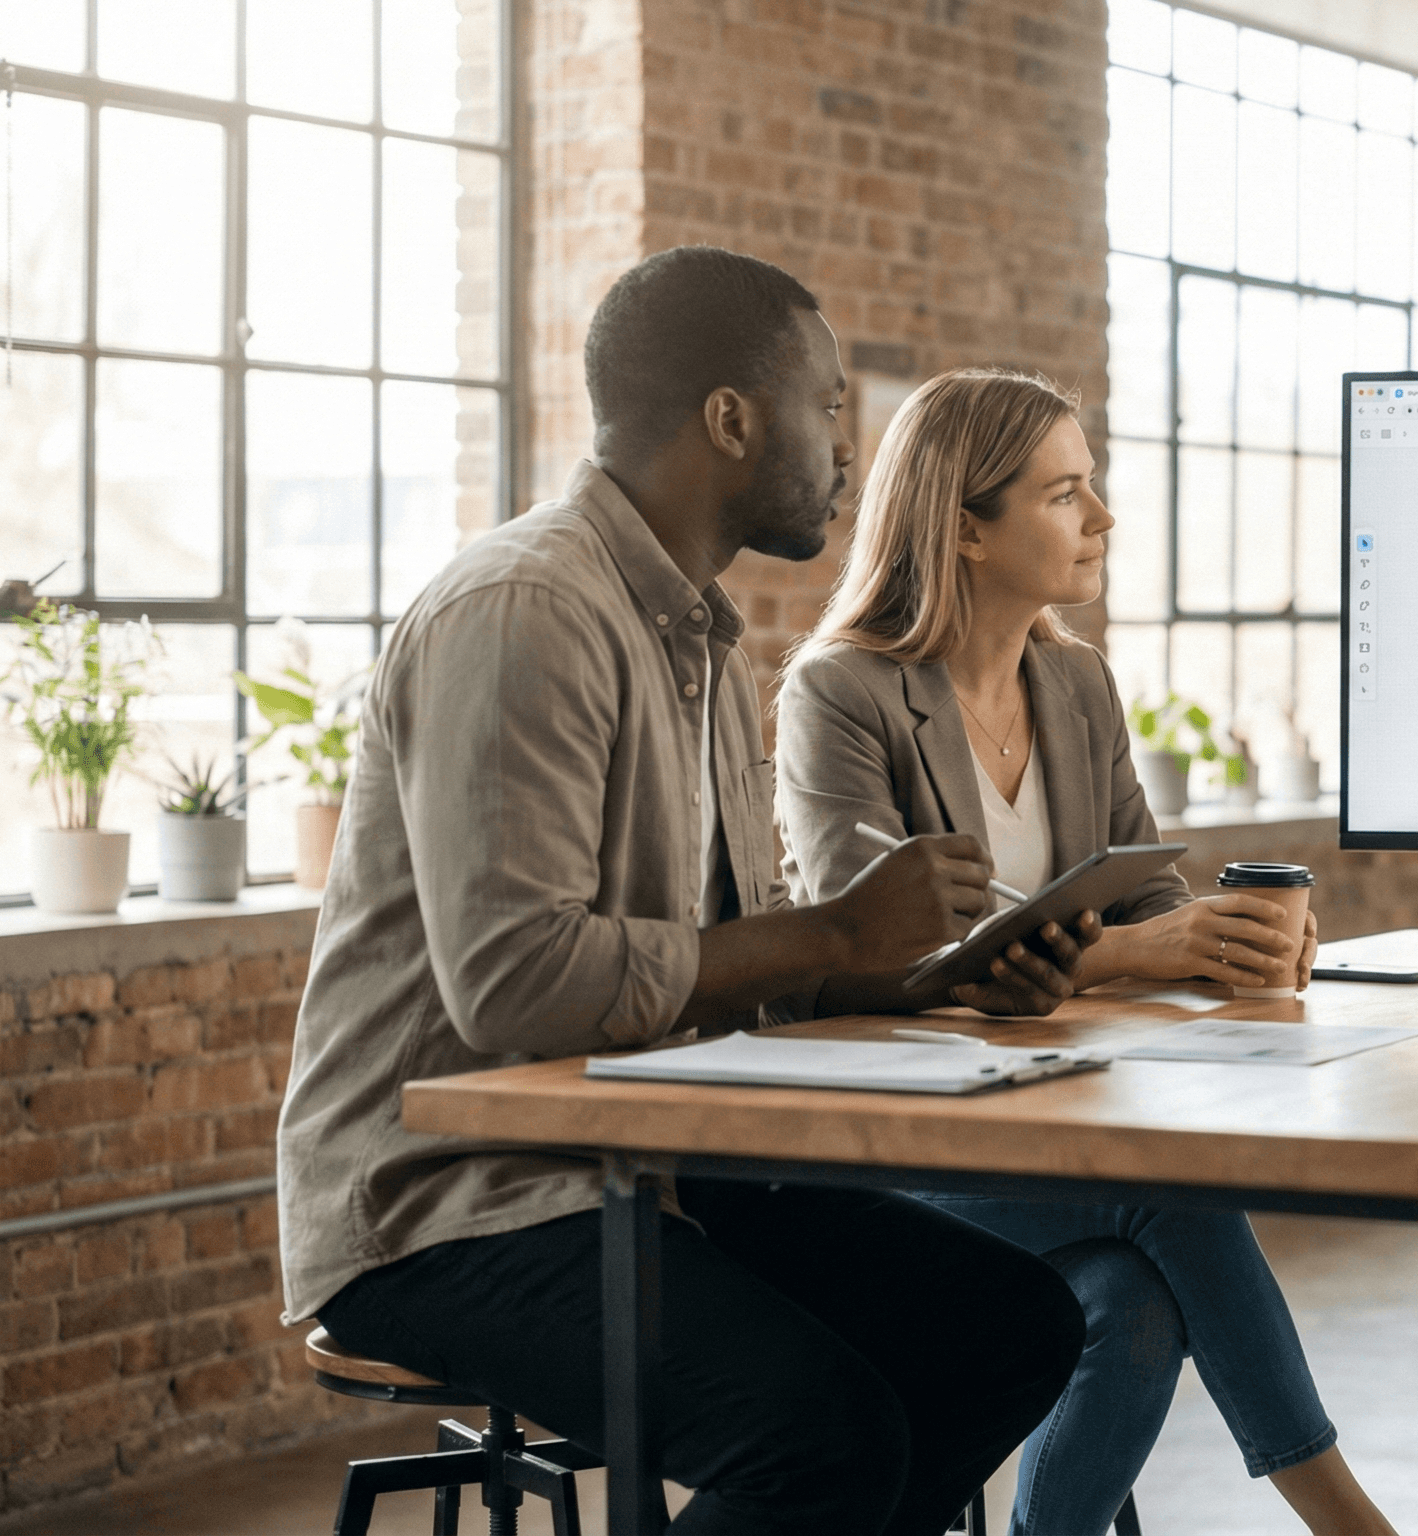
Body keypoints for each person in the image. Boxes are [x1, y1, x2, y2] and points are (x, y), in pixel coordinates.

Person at [276, 248, 1090, 1536]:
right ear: (730, 419)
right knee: (817, 1433)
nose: (843, 445)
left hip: (650, 1166)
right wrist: (827, 928)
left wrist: (925, 970)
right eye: (825, 407)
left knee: (1010, 1327)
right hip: (450, 1200)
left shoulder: (703, 639)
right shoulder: (524, 609)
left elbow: (724, 959)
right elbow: (513, 983)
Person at [775, 366, 1400, 1536]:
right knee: (1169, 1196)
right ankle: (1349, 1522)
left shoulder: (1074, 681)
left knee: (1133, 1301)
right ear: (964, 524)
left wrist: (1235, 939)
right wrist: (1124, 959)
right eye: (1067, 495)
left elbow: (1145, 888)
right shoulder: (841, 691)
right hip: (889, 1159)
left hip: (1045, 1127)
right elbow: (856, 937)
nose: (1102, 518)